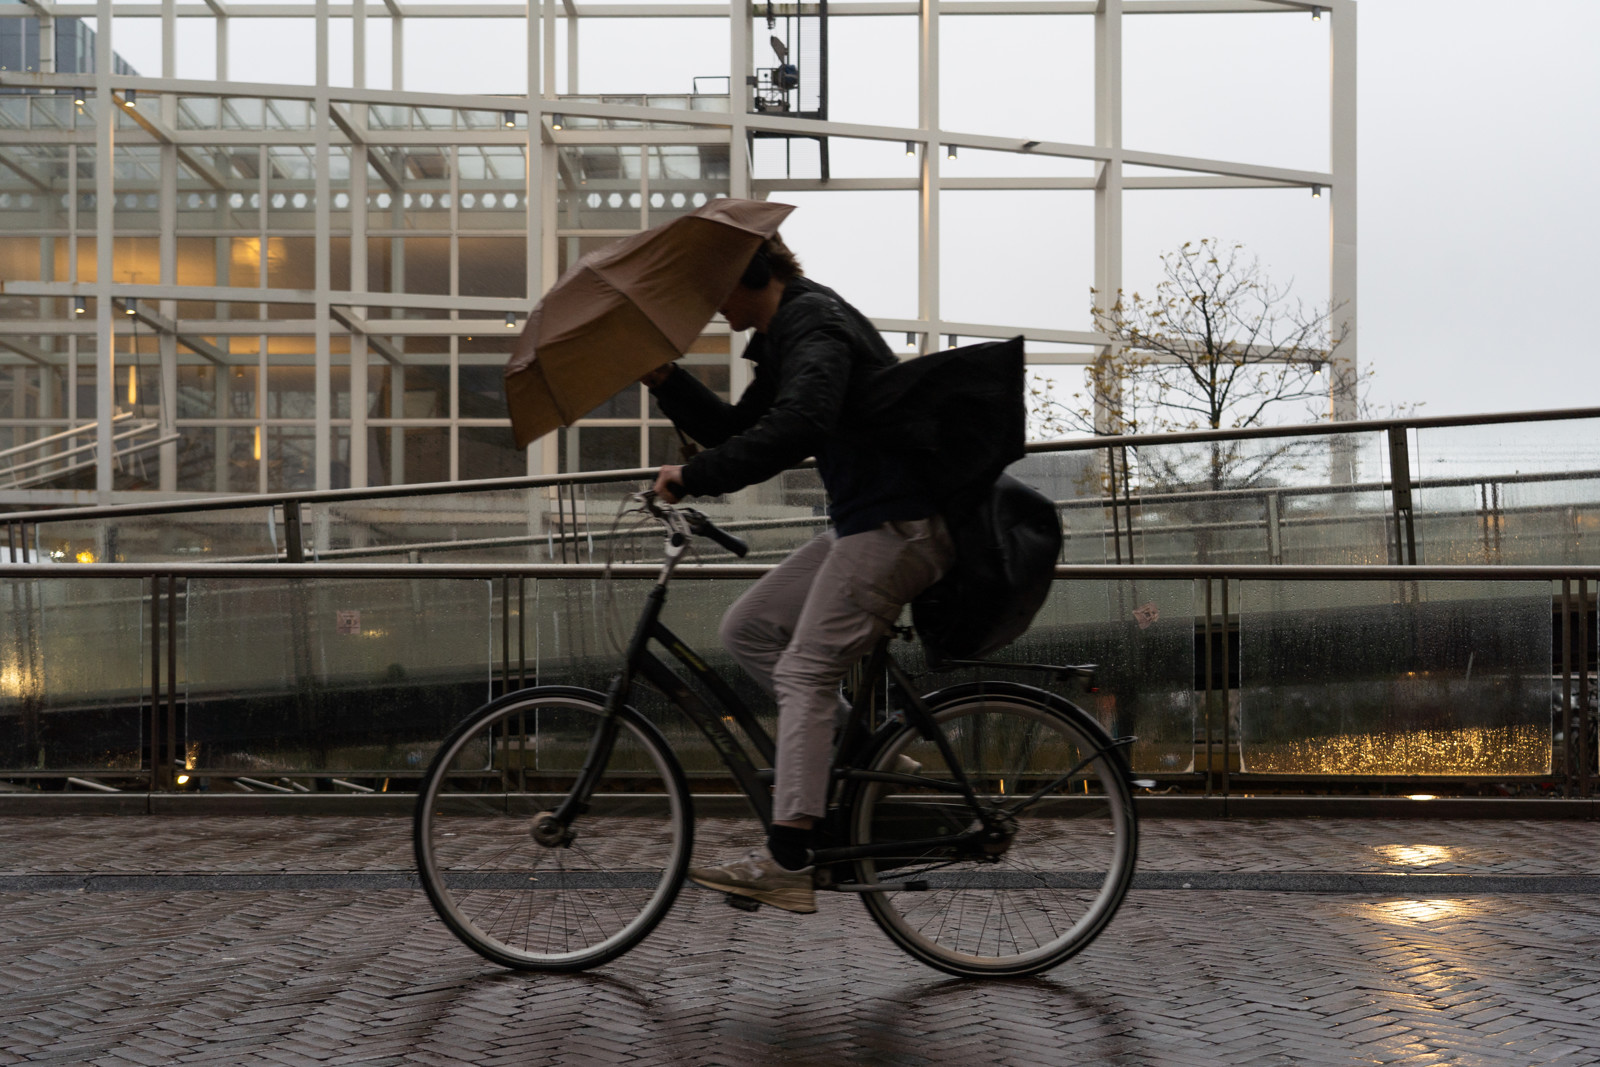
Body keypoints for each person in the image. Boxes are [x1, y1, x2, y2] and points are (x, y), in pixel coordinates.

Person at [643, 234, 954, 914]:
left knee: (805, 671)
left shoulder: (814, 323)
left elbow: (799, 423)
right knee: (750, 626)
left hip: (895, 524)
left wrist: (691, 477)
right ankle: (869, 751)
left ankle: (788, 857)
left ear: (747, 273)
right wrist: (666, 379)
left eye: (710, 289)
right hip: (863, 522)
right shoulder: (789, 334)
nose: (705, 306)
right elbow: (736, 428)